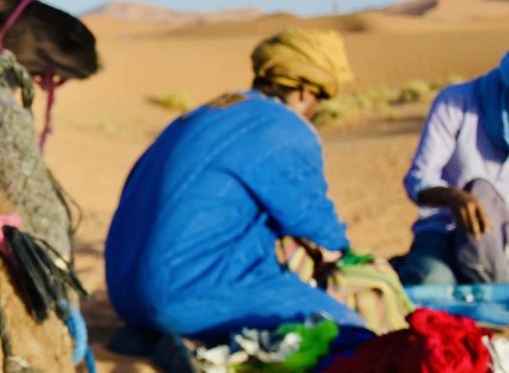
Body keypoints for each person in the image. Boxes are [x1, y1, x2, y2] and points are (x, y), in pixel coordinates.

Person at [105, 29, 365, 345]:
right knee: (352, 326)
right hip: (184, 296)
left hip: (124, 298)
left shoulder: (202, 113)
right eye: (320, 100)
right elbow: (315, 223)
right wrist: (351, 259)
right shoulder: (282, 126)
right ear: (303, 93)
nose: (317, 110)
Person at [396, 53, 509, 286]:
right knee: (434, 283)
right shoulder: (456, 101)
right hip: (443, 229)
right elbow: (418, 178)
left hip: (502, 242)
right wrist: (452, 197)